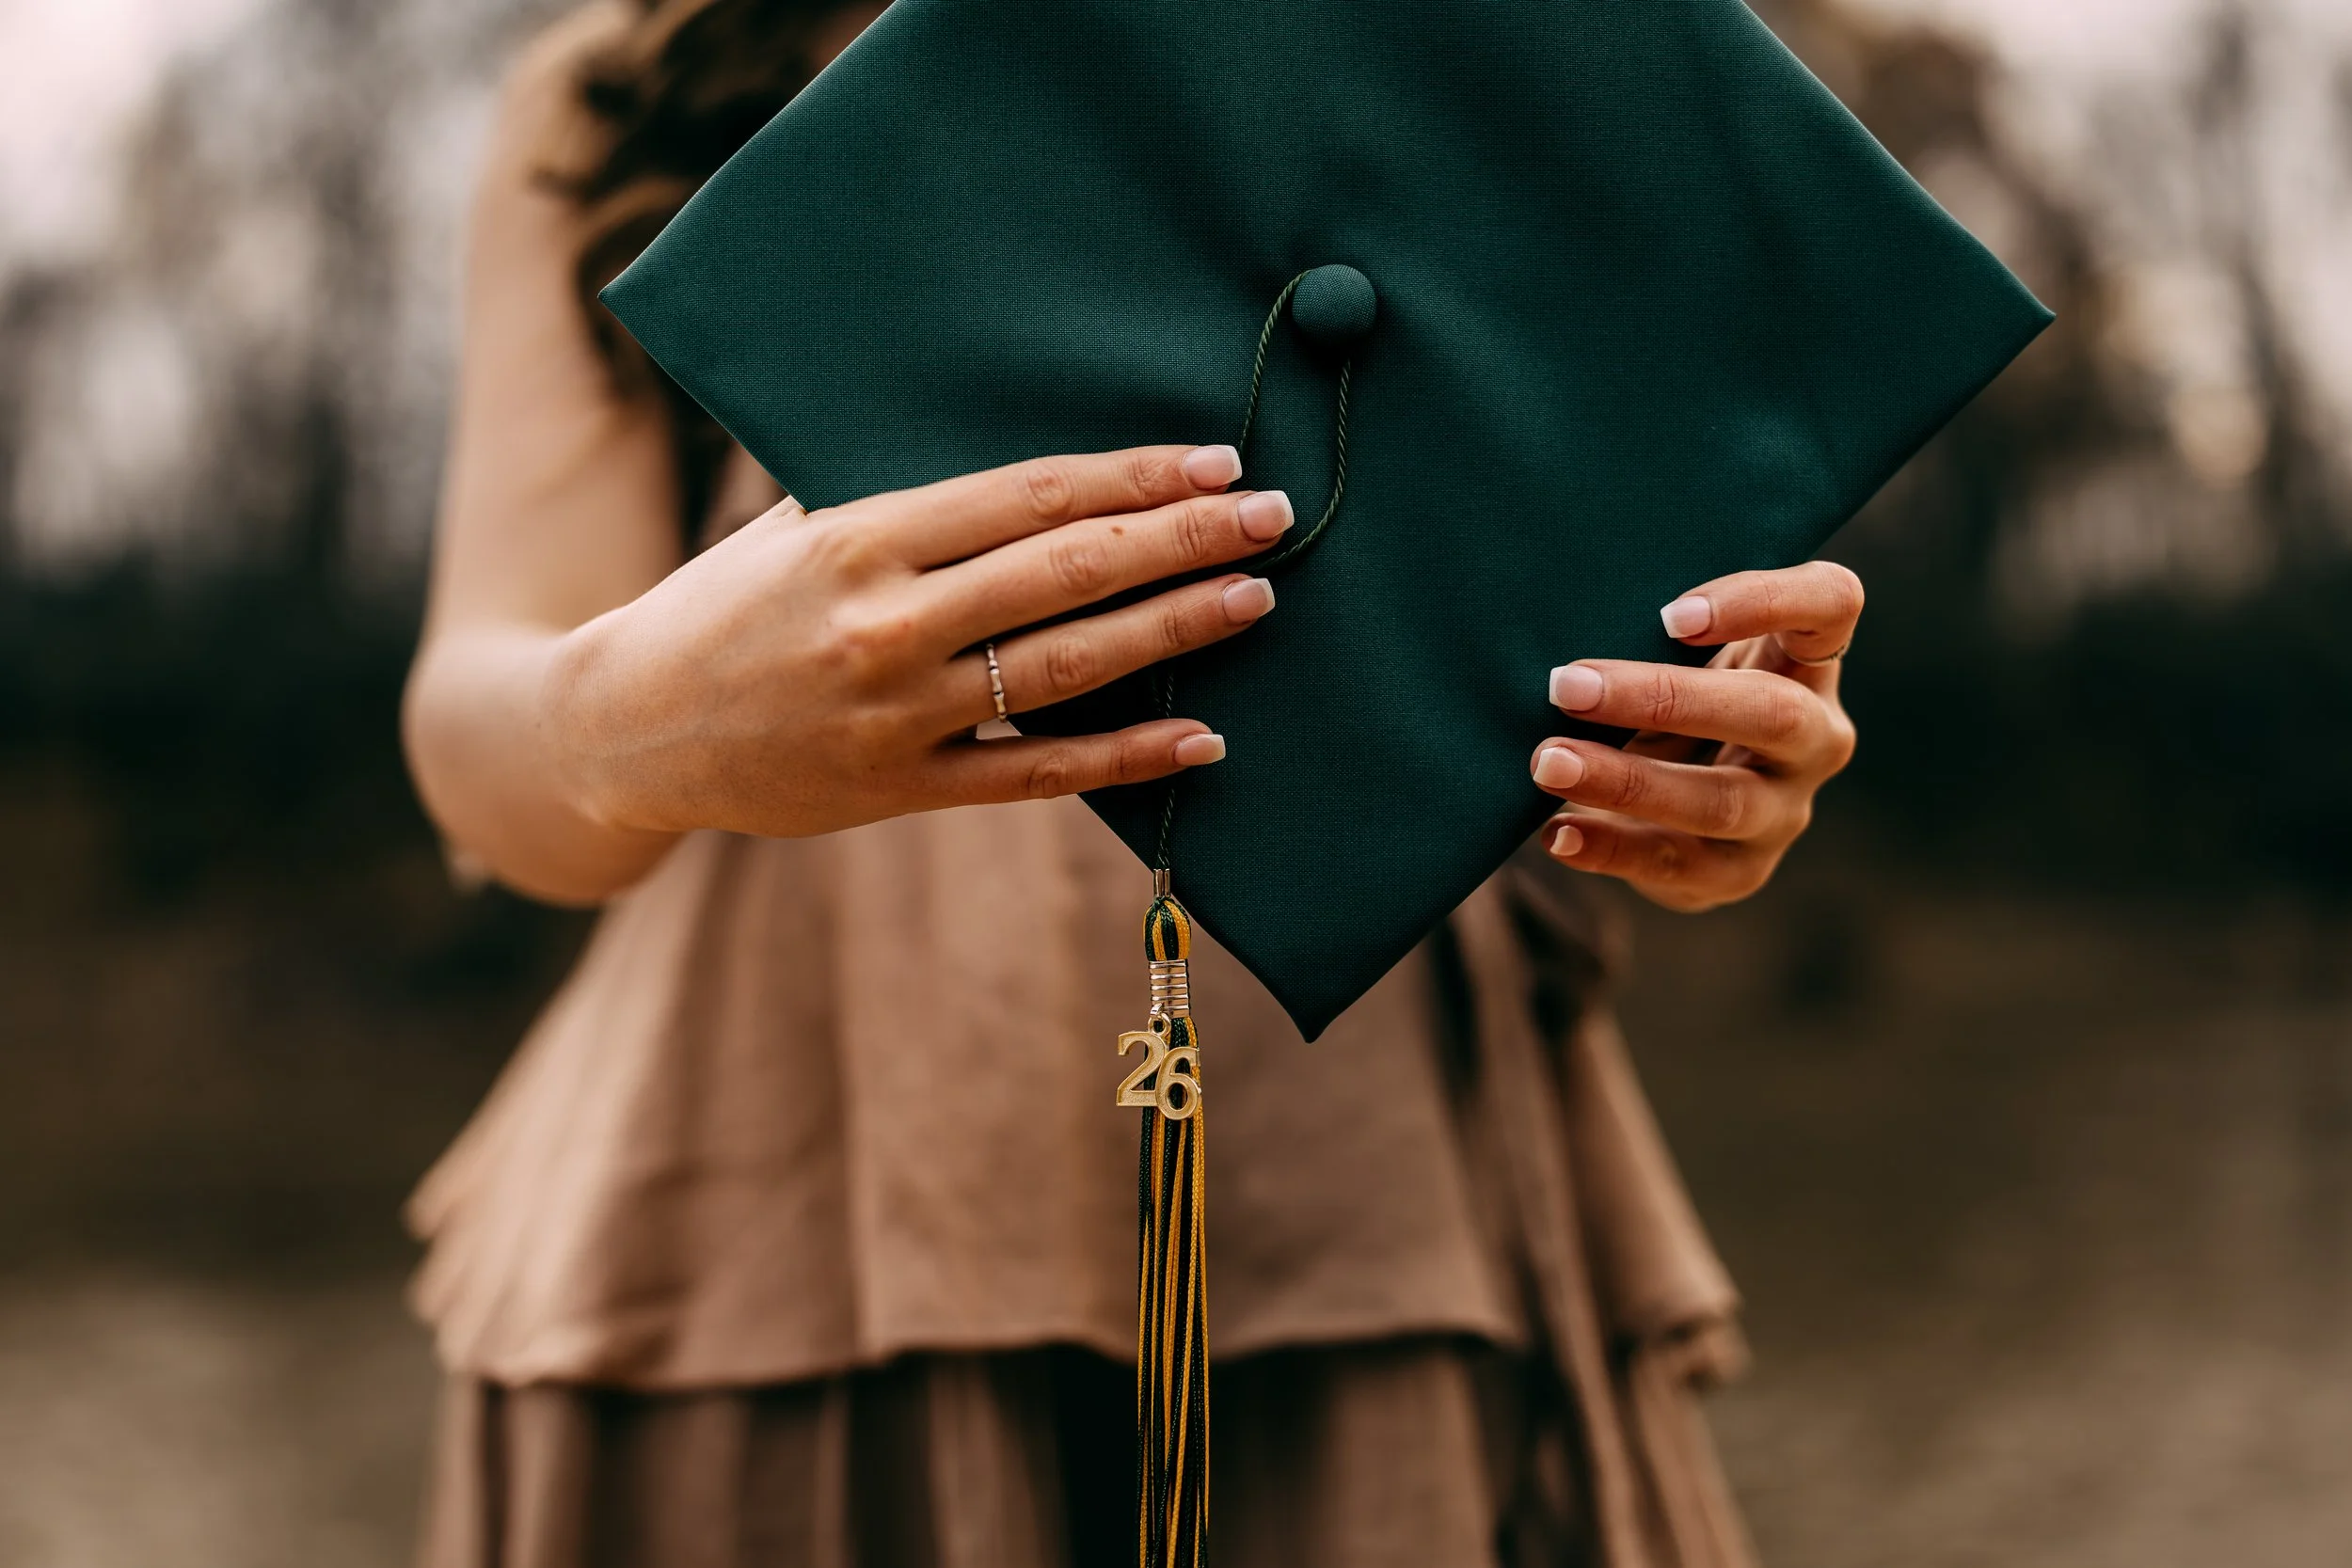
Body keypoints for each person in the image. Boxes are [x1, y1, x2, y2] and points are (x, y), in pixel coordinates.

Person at [400, 2, 1866, 1563]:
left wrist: (1712, 758)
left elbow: (1568, 577)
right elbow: (480, 719)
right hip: (789, 1196)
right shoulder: (635, 86)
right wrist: (620, 720)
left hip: (1379, 1191)